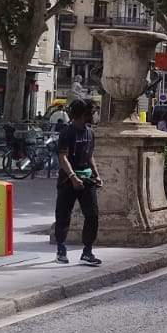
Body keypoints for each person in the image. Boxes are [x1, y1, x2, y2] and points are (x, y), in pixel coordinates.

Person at [54, 98, 102, 266]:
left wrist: (96, 174)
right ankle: (60, 248)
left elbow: (89, 155)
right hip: (68, 179)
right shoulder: (67, 133)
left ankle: (87, 251)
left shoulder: (90, 132)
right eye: (92, 112)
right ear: (83, 114)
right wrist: (73, 177)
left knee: (93, 215)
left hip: (87, 178)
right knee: (63, 215)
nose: (94, 115)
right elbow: (62, 157)